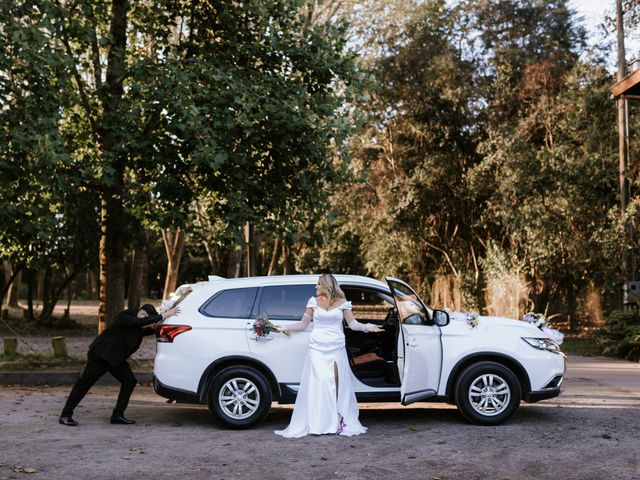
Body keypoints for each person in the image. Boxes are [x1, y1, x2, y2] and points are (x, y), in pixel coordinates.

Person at [274, 274, 383, 438]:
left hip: (336, 346)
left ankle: (338, 419)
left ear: (326, 285)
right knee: (322, 382)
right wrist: (283, 327)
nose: (315, 287)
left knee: (336, 383)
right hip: (317, 347)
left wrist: (368, 327)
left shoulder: (343, 303)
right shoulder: (313, 302)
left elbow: (353, 325)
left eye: (318, 284)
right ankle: (319, 421)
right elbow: (303, 324)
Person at [59, 303, 180, 426]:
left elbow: (139, 330)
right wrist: (163, 315)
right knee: (84, 384)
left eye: (145, 317)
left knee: (129, 381)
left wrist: (156, 328)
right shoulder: (125, 316)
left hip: (116, 359)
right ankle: (66, 415)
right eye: (142, 314)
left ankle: (117, 415)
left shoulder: (136, 324)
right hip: (101, 355)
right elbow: (135, 323)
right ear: (139, 310)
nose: (142, 317)